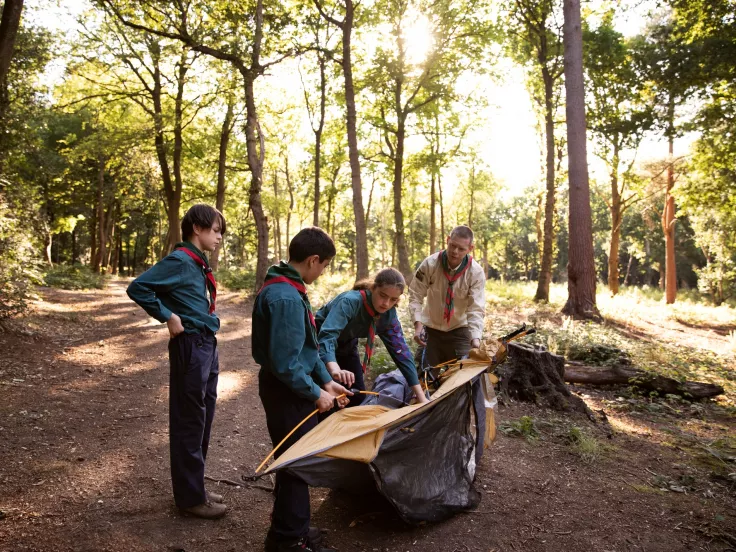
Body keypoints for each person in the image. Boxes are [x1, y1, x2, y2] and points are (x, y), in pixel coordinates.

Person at [252, 227, 352, 552]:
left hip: (295, 386)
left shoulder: (291, 288)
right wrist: (316, 393)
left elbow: (307, 347)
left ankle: (294, 526)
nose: (323, 272)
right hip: (287, 391)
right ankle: (287, 541)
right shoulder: (284, 297)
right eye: (323, 265)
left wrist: (327, 381)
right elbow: (286, 364)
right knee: (296, 463)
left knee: (295, 459)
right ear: (312, 260)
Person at [126, 204, 228, 519]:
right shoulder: (181, 260)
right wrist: (168, 316)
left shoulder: (197, 264)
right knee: (189, 421)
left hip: (206, 345)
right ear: (196, 228)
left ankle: (195, 486)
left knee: (203, 419)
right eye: (215, 230)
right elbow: (138, 287)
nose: (220, 237)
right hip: (190, 347)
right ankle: (189, 499)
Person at [315, 268, 429, 406]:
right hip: (316, 346)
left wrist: (421, 398)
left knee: (356, 397)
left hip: (348, 346)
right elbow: (327, 337)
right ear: (373, 288)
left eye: (393, 300)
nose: (386, 303)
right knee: (328, 400)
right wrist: (334, 369)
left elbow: (402, 354)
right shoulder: (350, 301)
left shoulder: (388, 316)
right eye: (383, 295)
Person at [408, 225, 487, 368]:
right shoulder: (430, 264)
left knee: (463, 376)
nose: (455, 252)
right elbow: (415, 295)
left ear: (470, 248)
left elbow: (476, 308)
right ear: (448, 240)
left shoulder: (475, 273)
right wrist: (418, 325)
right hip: (431, 330)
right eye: (453, 246)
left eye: (461, 249)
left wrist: (475, 339)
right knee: (423, 377)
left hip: (460, 330)